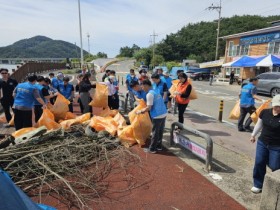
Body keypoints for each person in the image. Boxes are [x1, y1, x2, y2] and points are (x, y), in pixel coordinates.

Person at [250, 94, 280, 194]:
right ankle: (258, 184)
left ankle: (276, 187)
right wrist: (253, 135)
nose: (278, 108)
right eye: (277, 106)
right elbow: (259, 124)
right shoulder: (265, 112)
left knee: (275, 166)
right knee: (259, 162)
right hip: (262, 142)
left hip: (277, 146)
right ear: (272, 104)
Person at [137, 79, 167, 154]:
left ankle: (152, 149)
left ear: (146, 85)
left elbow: (149, 107)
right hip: (163, 112)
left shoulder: (149, 94)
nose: (142, 88)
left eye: (142, 86)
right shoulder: (155, 91)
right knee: (160, 131)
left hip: (157, 115)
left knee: (155, 132)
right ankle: (159, 146)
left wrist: (140, 111)